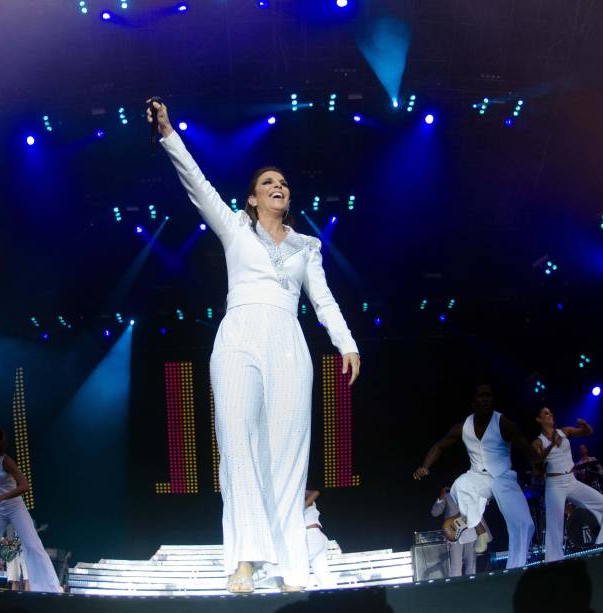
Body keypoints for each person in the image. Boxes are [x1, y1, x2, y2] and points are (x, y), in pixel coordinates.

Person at [150, 98, 361, 593]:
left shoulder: (307, 246)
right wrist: (168, 134)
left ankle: (291, 566)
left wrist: (347, 343)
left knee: (287, 455)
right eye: (268, 182)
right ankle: (243, 560)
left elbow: (324, 300)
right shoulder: (234, 229)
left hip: (288, 341)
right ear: (251, 198)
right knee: (237, 445)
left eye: (282, 182)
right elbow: (196, 183)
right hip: (239, 336)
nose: (278, 186)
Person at [413, 384, 541, 569]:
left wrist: (536, 465)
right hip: (478, 477)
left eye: (489, 395)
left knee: (524, 524)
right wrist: (425, 466)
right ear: (473, 403)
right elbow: (440, 445)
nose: (486, 399)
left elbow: (525, 445)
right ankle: (475, 525)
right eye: (482, 396)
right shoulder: (463, 427)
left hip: (503, 477)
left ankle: (516, 566)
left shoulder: (502, 422)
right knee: (459, 485)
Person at [0, 427, 61, 593]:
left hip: (14, 507)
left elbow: (24, 486)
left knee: (33, 545)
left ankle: (51, 589)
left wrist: (0, 498)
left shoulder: (5, 461)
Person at [533, 407, 603, 562]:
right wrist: (552, 444)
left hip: (571, 480)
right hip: (554, 484)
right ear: (539, 419)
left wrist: (585, 425)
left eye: (551, 412)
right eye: (546, 413)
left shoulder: (564, 431)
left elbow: (588, 432)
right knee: (555, 525)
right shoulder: (538, 441)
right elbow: (538, 459)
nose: (551, 415)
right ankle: (554, 560)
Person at [430, 485, 491, 576]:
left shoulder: (473, 494)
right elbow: (435, 513)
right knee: (456, 566)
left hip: (471, 534)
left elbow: (482, 504)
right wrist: (441, 497)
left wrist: (485, 500)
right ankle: (456, 584)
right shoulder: (448, 496)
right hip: (454, 535)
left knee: (471, 566)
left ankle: (471, 584)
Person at [303, 490, 334, 588]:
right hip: (315, 537)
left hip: (312, 536)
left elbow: (315, 492)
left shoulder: (303, 501)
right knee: (323, 575)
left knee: (296, 562)